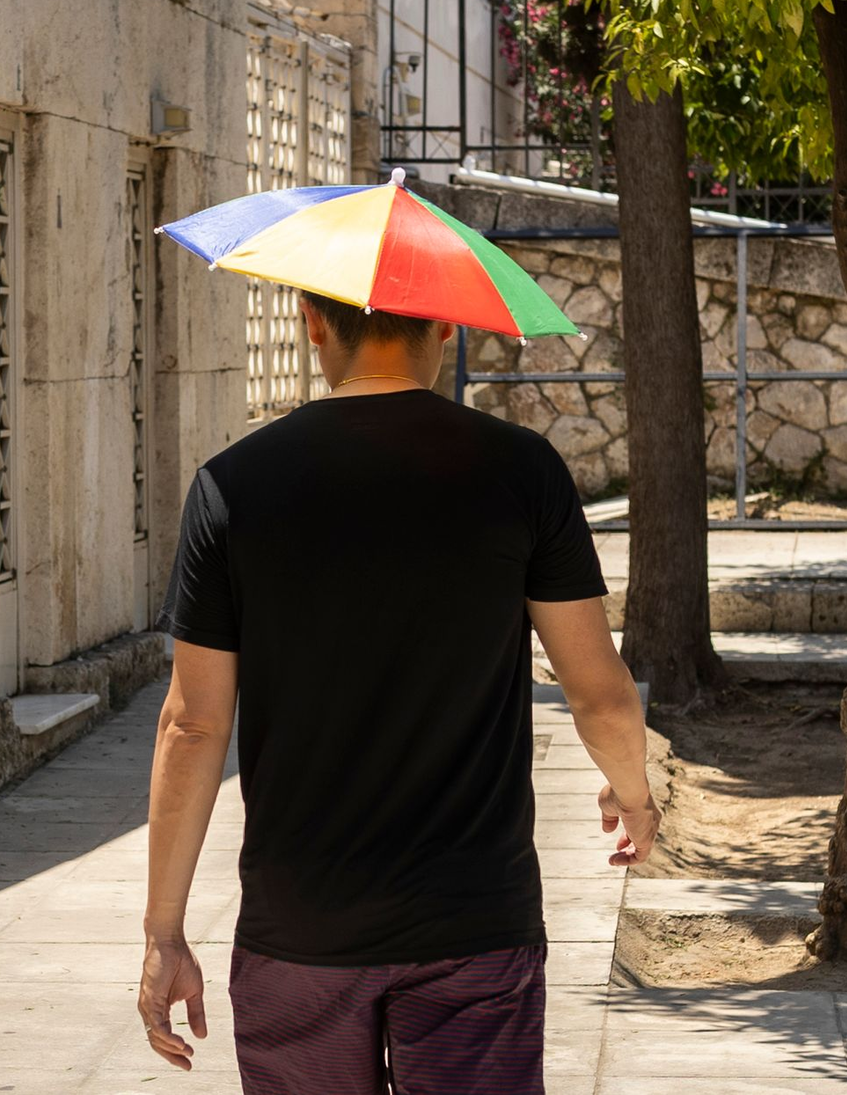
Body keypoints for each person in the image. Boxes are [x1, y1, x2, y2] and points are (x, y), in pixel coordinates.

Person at [137, 292, 661, 1094]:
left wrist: (164, 931)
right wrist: (635, 795)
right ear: (446, 323)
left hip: (299, 927)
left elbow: (193, 725)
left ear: (312, 321)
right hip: (474, 921)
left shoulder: (232, 486)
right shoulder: (523, 471)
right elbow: (600, 695)